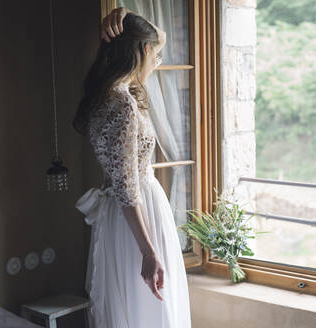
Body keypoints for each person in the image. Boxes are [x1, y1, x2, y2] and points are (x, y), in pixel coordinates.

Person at [72, 7, 192, 328]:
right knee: (150, 307)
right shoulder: (122, 102)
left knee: (134, 306)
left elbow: (120, 182)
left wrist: (123, 13)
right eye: (157, 53)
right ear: (142, 49)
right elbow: (127, 187)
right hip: (139, 216)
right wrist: (149, 252)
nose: (158, 61)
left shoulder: (106, 95)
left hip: (121, 216)